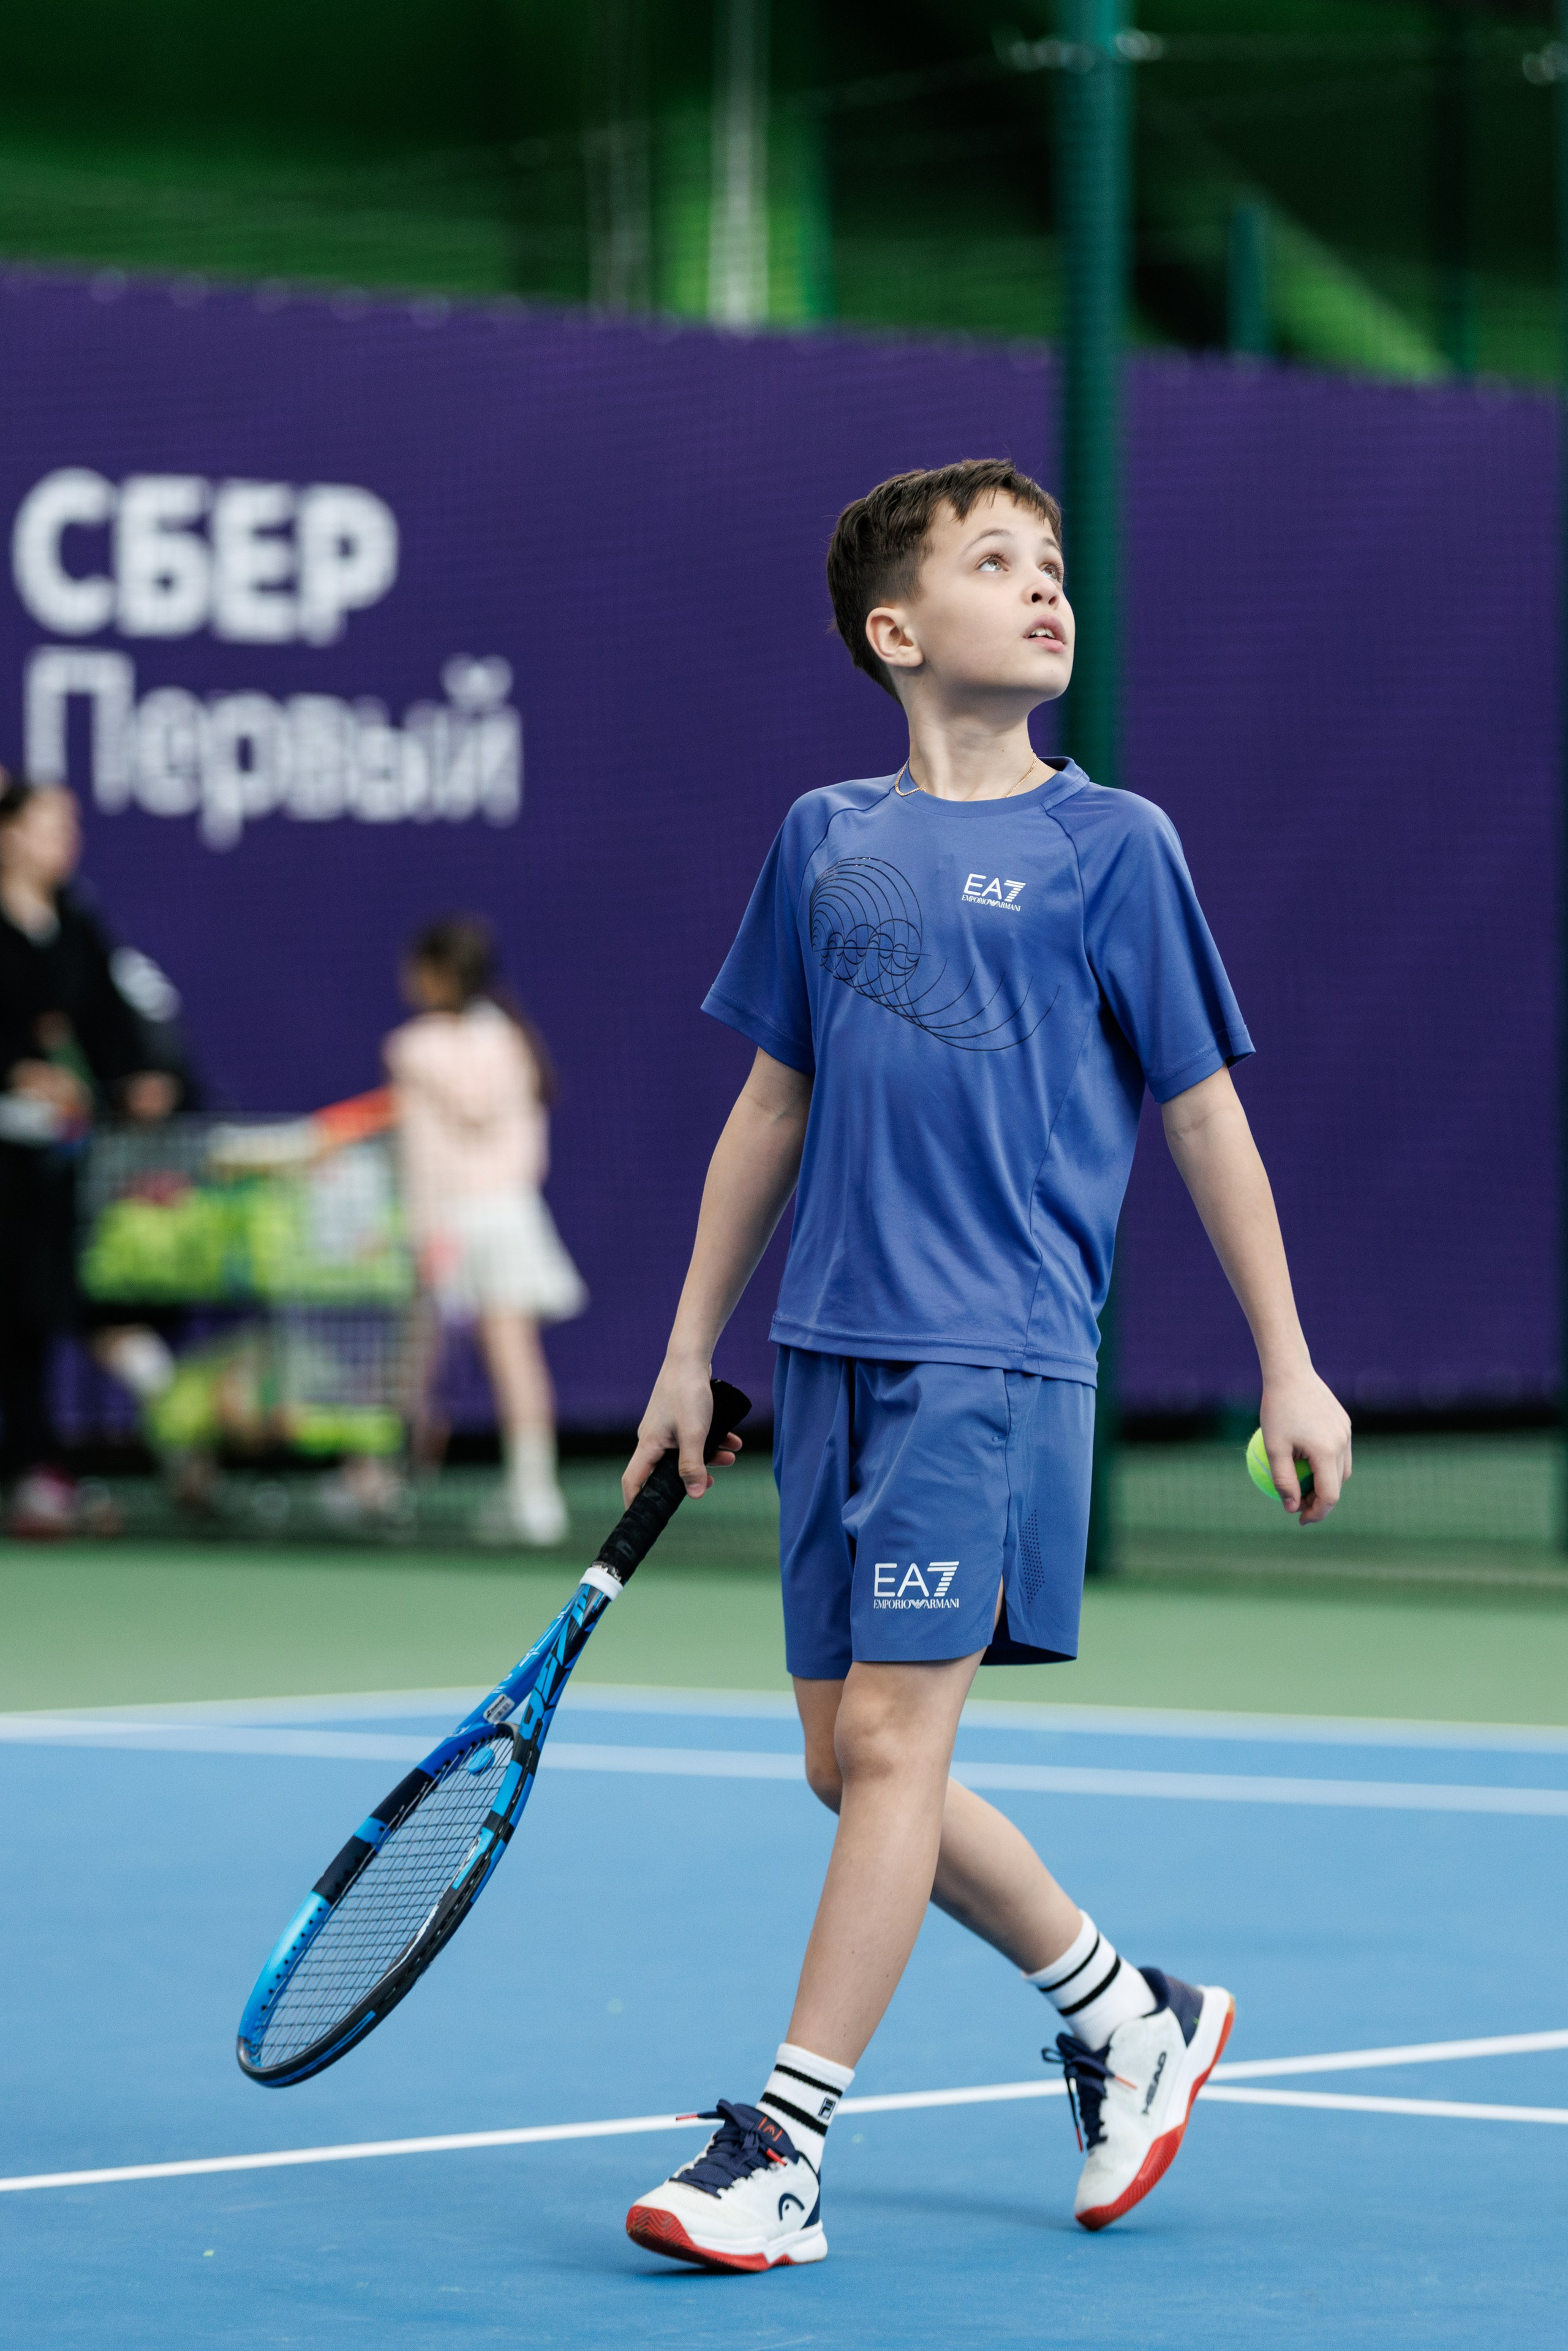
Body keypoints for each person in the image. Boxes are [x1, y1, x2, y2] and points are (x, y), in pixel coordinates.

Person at [619, 459, 1352, 2269]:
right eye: (994, 564)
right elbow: (769, 1101)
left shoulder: (1117, 849)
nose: (1046, 592)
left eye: (1052, 566)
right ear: (895, 629)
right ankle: (1129, 2013)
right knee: (843, 1760)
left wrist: (1290, 1364)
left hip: (996, 1349)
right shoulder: (822, 836)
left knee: (888, 1746)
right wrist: (683, 1345)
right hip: (826, 1353)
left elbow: (1205, 1121)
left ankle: (779, 2147)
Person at [0, 777, 181, 1535]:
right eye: (50, 823)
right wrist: (13, 1066)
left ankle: (35, 1470)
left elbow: (108, 1013)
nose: (65, 837)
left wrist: (133, 1076)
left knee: (34, 1309)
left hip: (45, 1157)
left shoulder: (74, 917)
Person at [384, 915, 586, 1544]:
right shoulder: (512, 1041)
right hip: (501, 1215)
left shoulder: (416, 1047)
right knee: (476, 1354)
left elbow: (434, 1139)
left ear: (440, 976)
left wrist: (426, 1230)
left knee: (430, 1357)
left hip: (466, 1220)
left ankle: (389, 1483)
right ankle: (531, 1493)